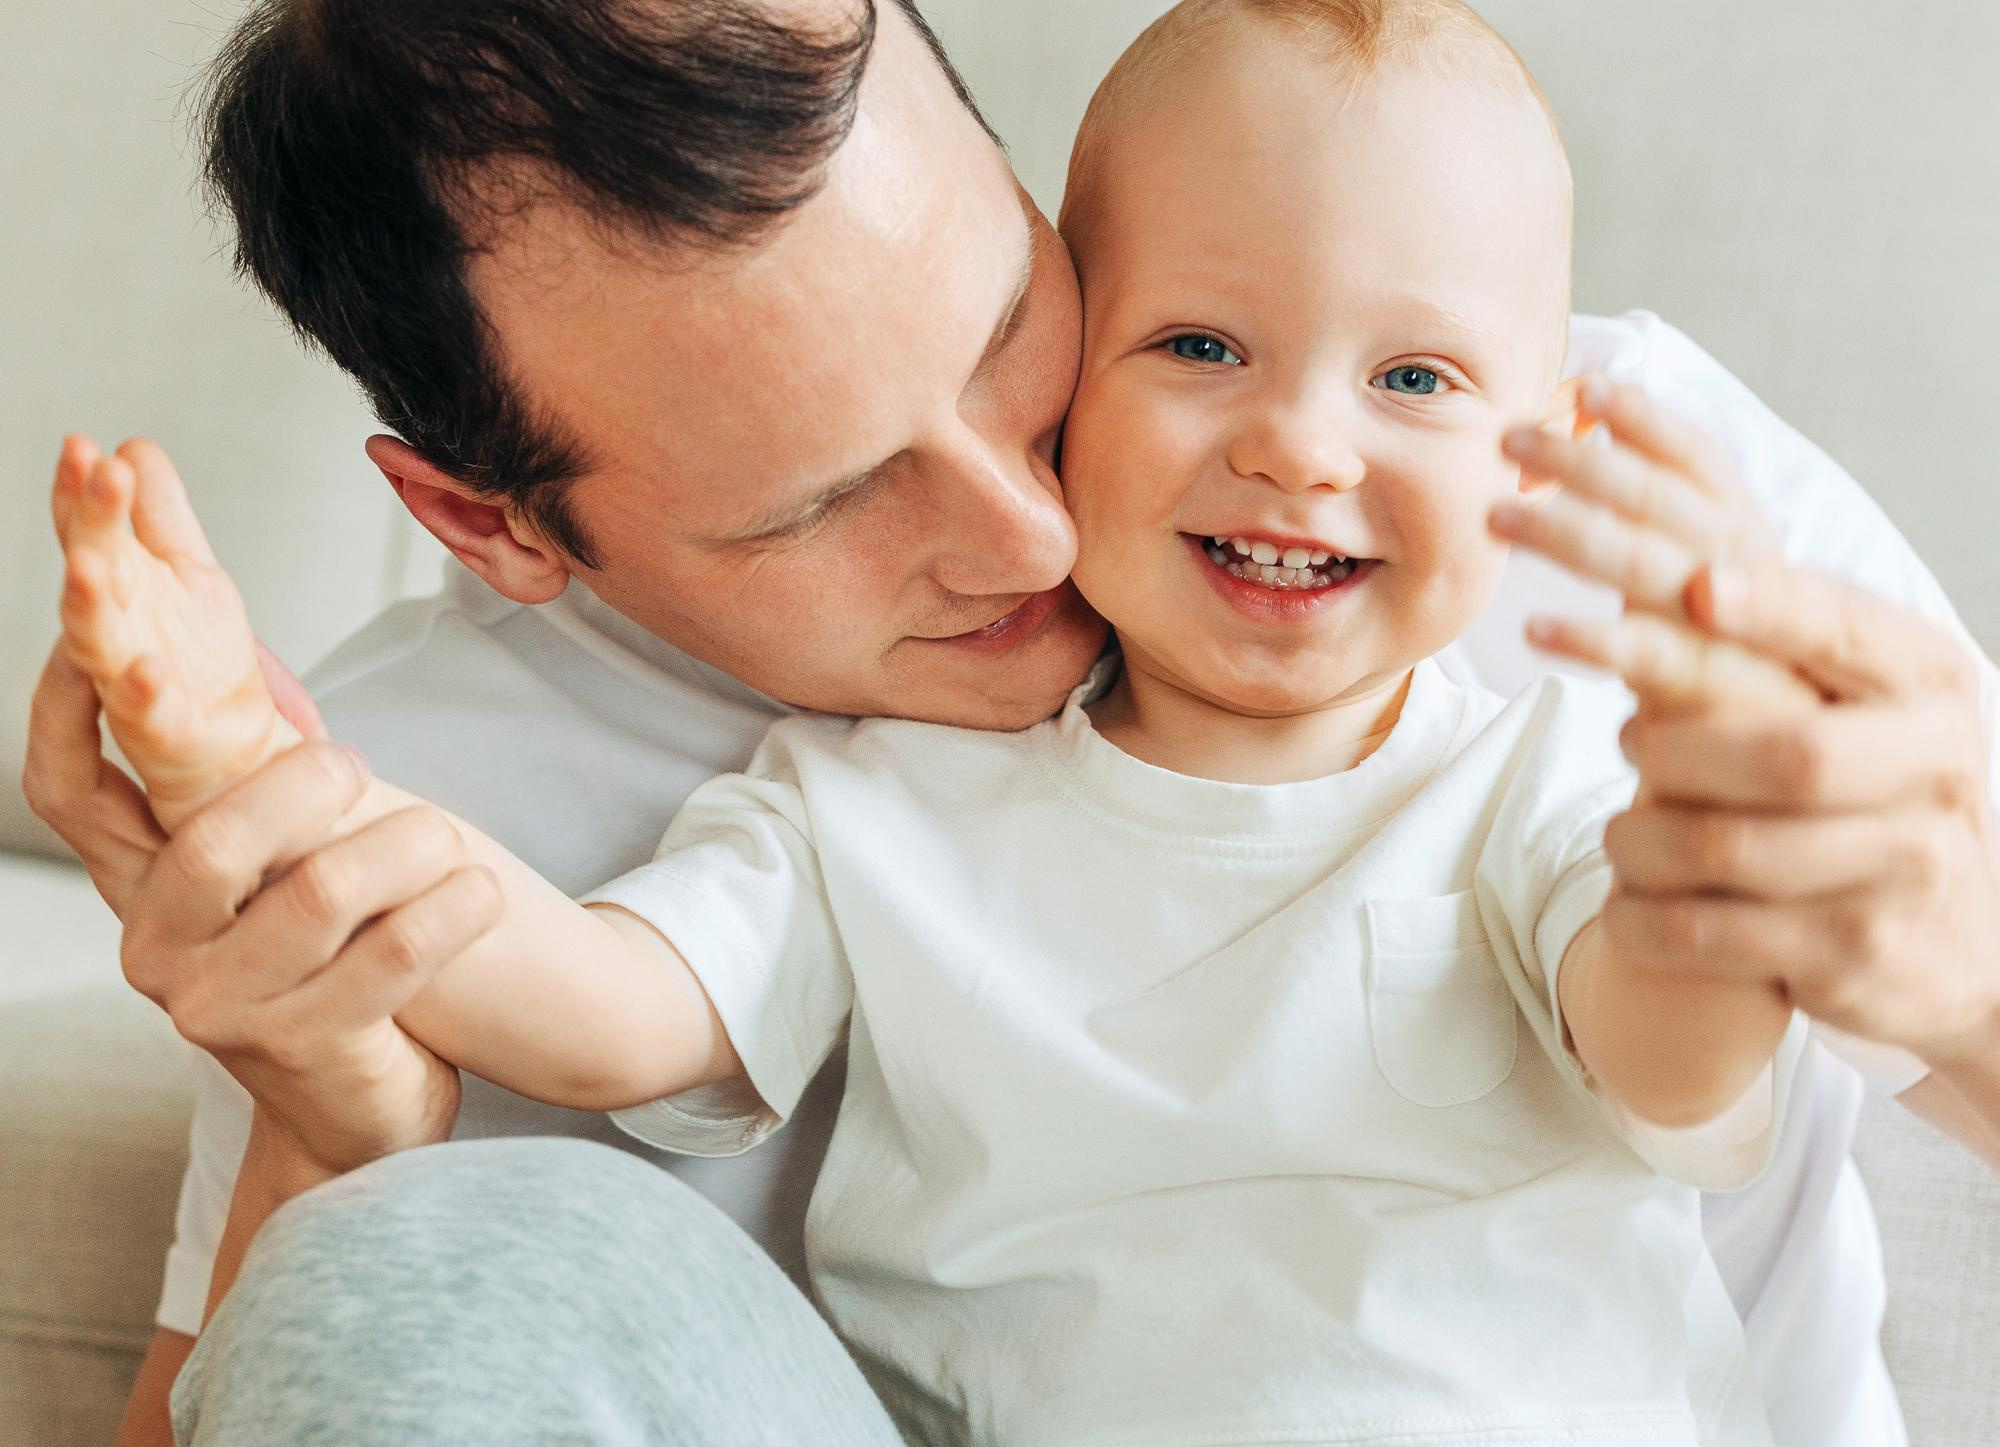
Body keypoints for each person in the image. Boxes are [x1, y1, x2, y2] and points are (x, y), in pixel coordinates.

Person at [23, 0, 1998, 1443]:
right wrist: (322, 1002)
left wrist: (1848, 937)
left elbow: (1657, 1049)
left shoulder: (1599, 508)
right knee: (411, 1244)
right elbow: (605, 1017)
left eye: (1008, 335)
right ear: (492, 521)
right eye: (822, 496)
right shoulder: (803, 799)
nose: (1032, 520)